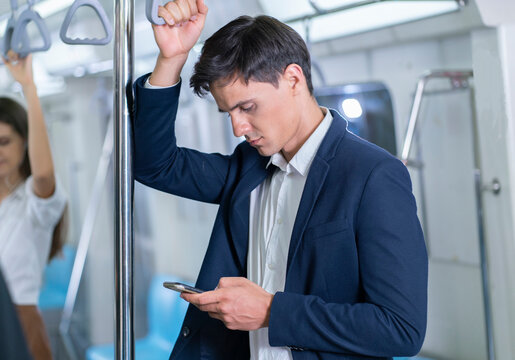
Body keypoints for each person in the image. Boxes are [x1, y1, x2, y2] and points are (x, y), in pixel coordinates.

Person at [133, 0, 428, 359]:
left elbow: (401, 329)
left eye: (247, 107)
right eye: (228, 112)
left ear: (293, 79)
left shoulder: (372, 176)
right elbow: (155, 165)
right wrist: (172, 59)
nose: (238, 128)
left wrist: (272, 312)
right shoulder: (248, 168)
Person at [0, 51, 67, 360]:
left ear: (24, 142)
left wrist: (29, 87)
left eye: (5, 141)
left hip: (19, 323)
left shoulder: (32, 200)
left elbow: (43, 175)